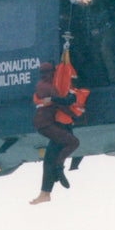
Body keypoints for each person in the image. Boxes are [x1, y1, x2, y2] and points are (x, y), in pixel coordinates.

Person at [29, 62, 81, 205]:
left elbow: (49, 101)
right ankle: (59, 167)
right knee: (73, 143)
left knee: (50, 156)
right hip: (48, 124)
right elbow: (59, 103)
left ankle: (45, 192)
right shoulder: (49, 87)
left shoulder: (41, 85)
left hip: (48, 123)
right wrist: (74, 115)